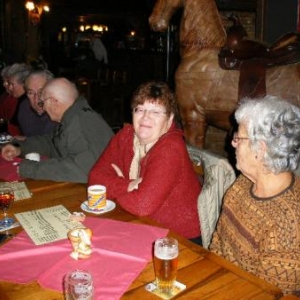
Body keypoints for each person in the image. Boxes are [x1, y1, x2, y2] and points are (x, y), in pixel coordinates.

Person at [209, 95, 300, 295]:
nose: (233, 143)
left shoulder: (288, 225)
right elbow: (218, 242)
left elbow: (268, 294)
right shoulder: (243, 184)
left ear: (261, 149)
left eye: (239, 138)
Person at [89, 81, 201, 240]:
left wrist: (114, 188)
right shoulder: (125, 137)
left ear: (169, 120)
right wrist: (127, 185)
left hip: (178, 240)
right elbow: (94, 180)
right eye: (139, 109)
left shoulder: (171, 148)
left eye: (156, 112)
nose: (145, 117)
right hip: (140, 225)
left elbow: (142, 205)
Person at [1, 77, 114, 183]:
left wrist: (30, 168)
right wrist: (20, 148)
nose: (43, 108)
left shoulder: (80, 123)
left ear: (53, 102)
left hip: (103, 193)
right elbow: (51, 142)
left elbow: (82, 171)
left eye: (43, 103)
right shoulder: (72, 117)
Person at [17, 69, 56, 137]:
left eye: (41, 92)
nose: (36, 99)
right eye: (31, 92)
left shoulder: (60, 111)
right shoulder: (24, 108)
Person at [6, 63, 32, 135]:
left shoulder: (27, 103)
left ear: (24, 84)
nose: (10, 88)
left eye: (13, 84)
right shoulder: (20, 100)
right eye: (9, 84)